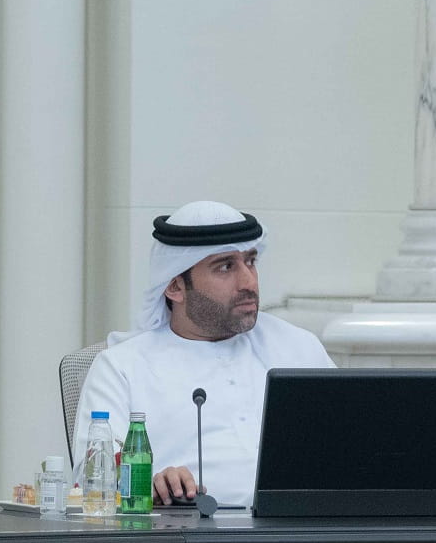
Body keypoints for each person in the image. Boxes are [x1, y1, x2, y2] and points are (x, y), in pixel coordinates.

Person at [73, 200, 333, 507]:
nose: (248, 282)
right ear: (175, 287)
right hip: (186, 530)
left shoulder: (298, 347)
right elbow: (94, 477)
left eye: (250, 261)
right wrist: (153, 482)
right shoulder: (122, 368)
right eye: (226, 267)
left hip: (306, 525)